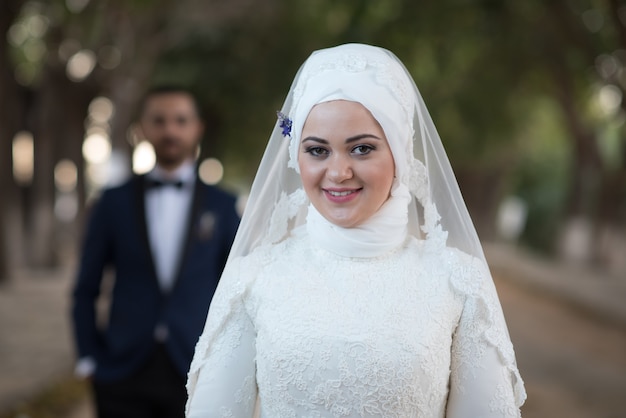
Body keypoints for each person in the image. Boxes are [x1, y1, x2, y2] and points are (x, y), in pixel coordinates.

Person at [186, 44, 526, 417]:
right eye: (317, 151)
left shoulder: (459, 283)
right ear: (295, 157)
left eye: (362, 149)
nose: (338, 173)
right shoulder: (254, 278)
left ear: (399, 153)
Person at [71, 86, 240, 418]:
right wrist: (88, 357)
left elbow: (236, 290)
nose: (170, 130)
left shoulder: (223, 205)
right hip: (121, 371)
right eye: (159, 121)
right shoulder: (112, 202)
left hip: (195, 370)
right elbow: (85, 287)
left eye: (180, 121)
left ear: (197, 128)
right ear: (142, 129)